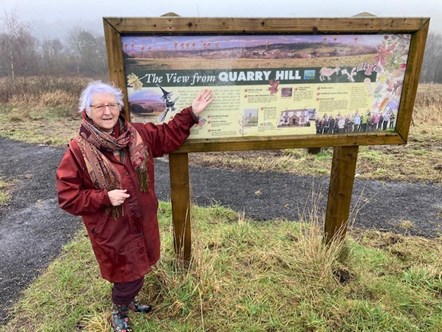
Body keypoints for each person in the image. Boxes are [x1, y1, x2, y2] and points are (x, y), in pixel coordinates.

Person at [56, 81, 213, 332]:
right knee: (128, 275)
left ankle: (128, 301)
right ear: (87, 110)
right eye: (99, 106)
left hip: (142, 221)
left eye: (112, 105)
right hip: (112, 230)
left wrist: (191, 113)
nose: (107, 112)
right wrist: (104, 198)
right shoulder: (78, 150)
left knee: (139, 268)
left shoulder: (136, 134)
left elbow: (166, 135)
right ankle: (119, 312)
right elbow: (68, 196)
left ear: (119, 108)